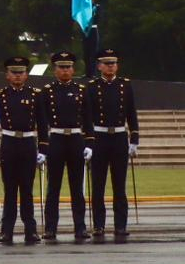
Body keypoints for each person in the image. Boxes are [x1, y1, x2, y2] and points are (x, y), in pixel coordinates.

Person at [85, 48, 139, 240]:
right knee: (98, 184)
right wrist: (88, 141)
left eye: (113, 63)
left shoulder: (125, 85)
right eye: (106, 63)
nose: (110, 66)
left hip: (119, 137)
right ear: (99, 66)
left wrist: (134, 139)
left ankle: (120, 225)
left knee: (119, 185)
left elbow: (131, 113)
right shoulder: (92, 86)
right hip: (99, 137)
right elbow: (87, 116)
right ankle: (99, 225)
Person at [38, 50, 92, 241]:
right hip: (56, 139)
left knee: (77, 188)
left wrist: (89, 143)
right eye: (61, 67)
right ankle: (50, 228)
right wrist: (42, 147)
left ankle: (80, 227)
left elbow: (88, 118)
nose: (65, 71)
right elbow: (42, 121)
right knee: (53, 187)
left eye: (68, 67)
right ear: (55, 70)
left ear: (73, 69)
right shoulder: (47, 91)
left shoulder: (81, 90)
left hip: (76, 139)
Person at [0, 56, 42, 244]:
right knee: (10, 189)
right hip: (9, 142)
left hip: (28, 142)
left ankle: (31, 229)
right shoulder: (0, 95)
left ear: (26, 75)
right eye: (13, 72)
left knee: (27, 189)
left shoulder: (35, 95)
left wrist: (43, 148)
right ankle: (7, 230)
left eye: (21, 72)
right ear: (7, 75)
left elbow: (42, 122)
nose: (17, 76)